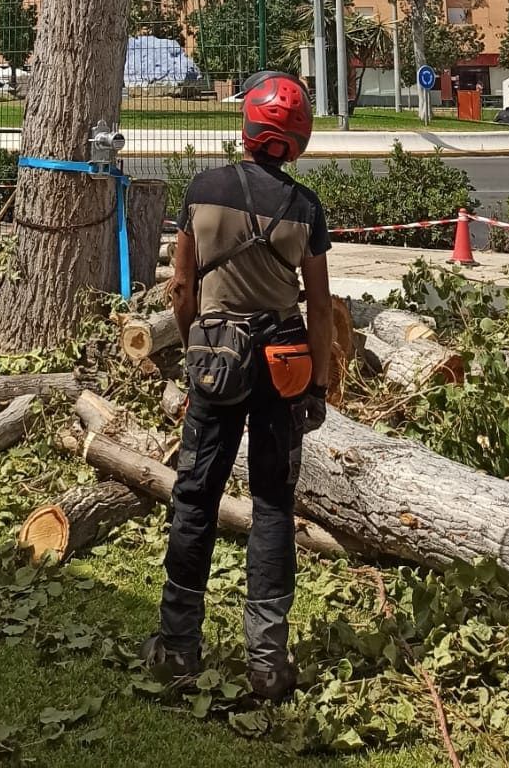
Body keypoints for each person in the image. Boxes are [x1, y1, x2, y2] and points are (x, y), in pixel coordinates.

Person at [143, 71, 333, 702]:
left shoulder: (203, 190)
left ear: (248, 128)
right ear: (298, 137)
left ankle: (177, 648)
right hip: (284, 365)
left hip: (215, 362)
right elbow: (322, 308)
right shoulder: (306, 210)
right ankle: (267, 661)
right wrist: (320, 386)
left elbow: (181, 284)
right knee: (274, 506)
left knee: (196, 497)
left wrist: (194, 339)